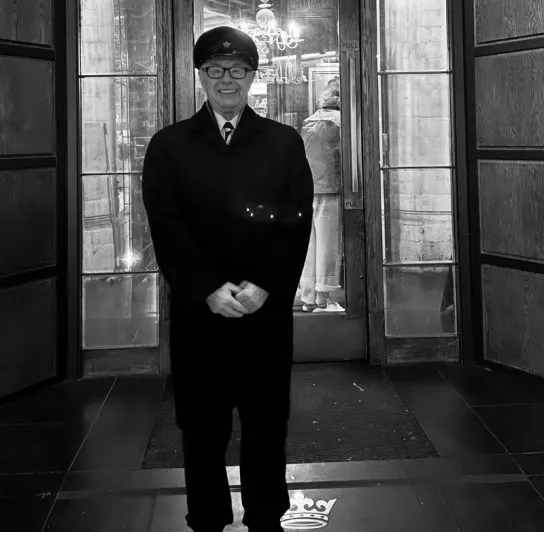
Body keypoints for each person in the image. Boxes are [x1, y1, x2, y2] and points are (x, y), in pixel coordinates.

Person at [142, 26, 313, 536]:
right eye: (215, 69)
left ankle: (266, 518)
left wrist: (263, 284)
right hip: (200, 312)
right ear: (200, 75)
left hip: (265, 311)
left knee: (267, 421)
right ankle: (207, 519)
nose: (227, 79)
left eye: (238, 69)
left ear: (253, 76)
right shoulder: (169, 145)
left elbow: (296, 220)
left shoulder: (283, 142)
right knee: (201, 425)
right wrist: (208, 288)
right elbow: (165, 225)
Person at [299, 78, 345, 312]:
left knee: (310, 245)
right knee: (329, 245)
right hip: (331, 190)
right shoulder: (339, 122)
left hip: (309, 191)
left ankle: (308, 296)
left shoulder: (309, 121)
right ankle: (324, 296)